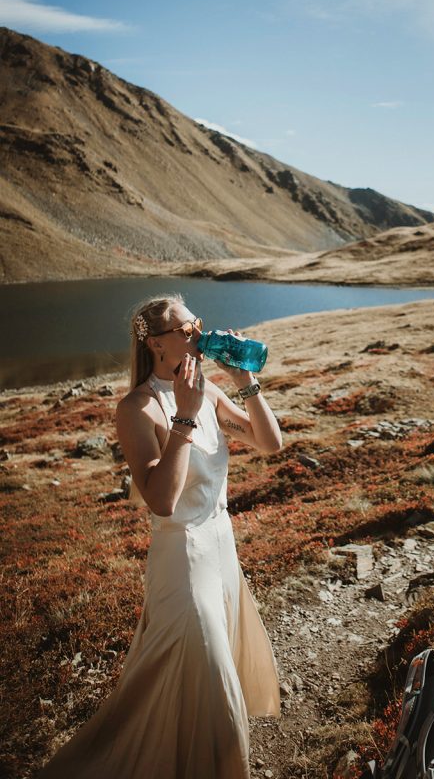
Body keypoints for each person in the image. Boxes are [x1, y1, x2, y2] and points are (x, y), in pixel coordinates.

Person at [39, 293, 282, 779]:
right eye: (187, 329)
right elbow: (162, 501)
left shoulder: (209, 390)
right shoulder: (137, 408)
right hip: (183, 559)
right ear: (155, 343)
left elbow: (270, 443)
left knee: (197, 683)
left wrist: (245, 381)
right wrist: (186, 418)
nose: (199, 334)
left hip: (222, 547)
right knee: (212, 686)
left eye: (198, 324)